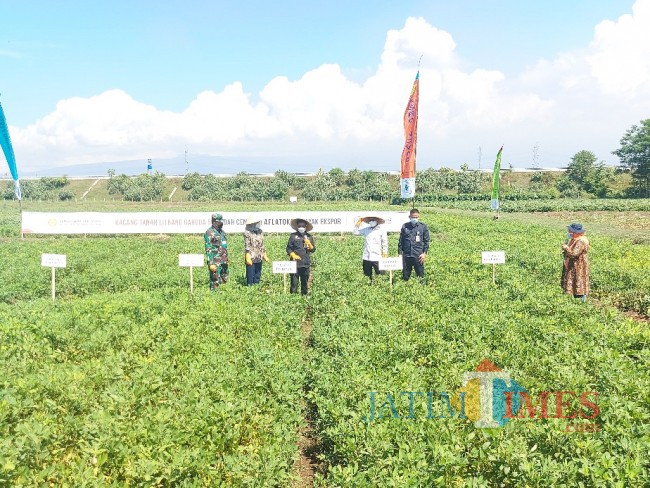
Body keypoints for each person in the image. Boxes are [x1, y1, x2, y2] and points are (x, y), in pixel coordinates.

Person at [398, 208, 430, 282]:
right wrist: (400, 253)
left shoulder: (423, 227)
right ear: (409, 217)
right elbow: (401, 241)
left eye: (416, 217)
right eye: (413, 217)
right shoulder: (405, 226)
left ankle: (422, 290)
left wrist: (424, 253)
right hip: (406, 255)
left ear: (419, 217)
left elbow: (426, 241)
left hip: (418, 255)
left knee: (420, 276)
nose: (414, 218)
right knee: (405, 276)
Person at [353, 215, 388, 283]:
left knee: (381, 275)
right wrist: (358, 223)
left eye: (373, 220)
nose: (372, 221)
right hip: (366, 256)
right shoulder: (366, 229)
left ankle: (382, 287)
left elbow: (385, 243)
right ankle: (369, 287)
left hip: (377, 256)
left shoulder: (381, 230)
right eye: (370, 220)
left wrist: (385, 253)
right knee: (367, 276)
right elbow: (355, 232)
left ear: (377, 221)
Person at [286, 218, 316, 295]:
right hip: (294, 263)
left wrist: (309, 243)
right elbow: (288, 248)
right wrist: (293, 255)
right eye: (299, 226)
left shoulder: (309, 236)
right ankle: (293, 298)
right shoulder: (293, 236)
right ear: (297, 226)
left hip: (305, 263)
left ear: (306, 226)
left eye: (303, 226)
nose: (301, 227)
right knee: (294, 283)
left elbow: (313, 250)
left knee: (304, 283)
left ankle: (304, 297)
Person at [561, 223, 590, 301]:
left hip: (579, 265)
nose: (569, 232)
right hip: (574, 264)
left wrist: (566, 248)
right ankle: (576, 300)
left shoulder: (581, 241)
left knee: (579, 281)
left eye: (570, 231)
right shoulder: (574, 239)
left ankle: (582, 301)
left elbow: (574, 254)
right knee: (574, 281)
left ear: (575, 232)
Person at [204, 213, 229, 290]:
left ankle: (224, 296)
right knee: (215, 281)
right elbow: (208, 248)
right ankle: (214, 297)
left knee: (225, 279)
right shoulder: (209, 232)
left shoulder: (222, 232)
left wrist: (226, 259)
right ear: (215, 222)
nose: (222, 223)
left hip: (223, 260)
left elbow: (224, 246)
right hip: (215, 261)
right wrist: (211, 263)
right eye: (220, 222)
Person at [243, 215, 269, 286]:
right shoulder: (247, 233)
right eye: (257, 222)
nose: (258, 224)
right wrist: (248, 257)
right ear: (253, 223)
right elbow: (247, 246)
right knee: (251, 275)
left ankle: (256, 287)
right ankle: (250, 288)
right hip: (251, 256)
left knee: (258, 274)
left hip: (259, 256)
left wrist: (265, 255)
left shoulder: (260, 231)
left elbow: (262, 245)